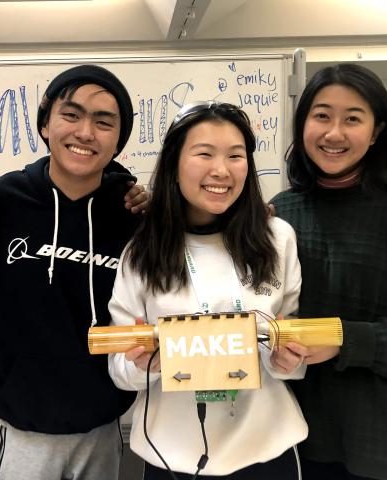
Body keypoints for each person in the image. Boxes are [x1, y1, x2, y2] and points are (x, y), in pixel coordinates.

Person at [271, 64, 387, 480]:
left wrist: (342, 339)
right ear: (303, 123)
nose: (333, 133)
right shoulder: (280, 212)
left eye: (352, 119)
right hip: (293, 443)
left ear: (376, 131)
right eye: (321, 115)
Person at [0, 65, 147, 480]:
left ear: (118, 139)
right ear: (46, 123)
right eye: (71, 114)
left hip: (101, 420)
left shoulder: (131, 212)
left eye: (103, 122)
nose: (85, 132)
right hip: (21, 421)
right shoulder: (6, 198)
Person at [108, 102, 307, 479]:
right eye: (204, 154)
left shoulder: (277, 239)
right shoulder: (142, 252)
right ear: (174, 164)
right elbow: (119, 369)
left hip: (267, 449)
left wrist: (288, 362)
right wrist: (143, 365)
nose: (221, 170)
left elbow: (290, 342)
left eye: (235, 155)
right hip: (171, 455)